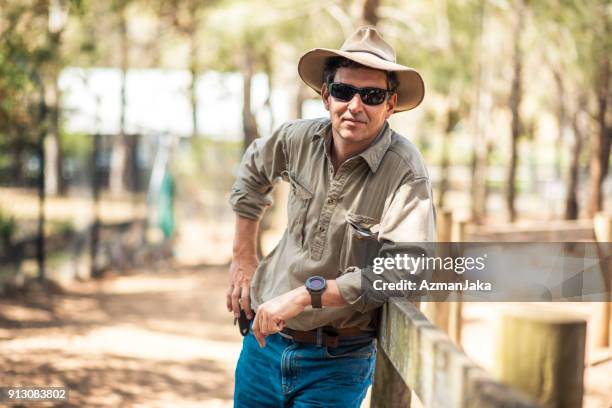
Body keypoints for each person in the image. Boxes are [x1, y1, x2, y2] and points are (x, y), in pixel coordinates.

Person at [228, 26, 436, 407]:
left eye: (371, 95)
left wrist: (306, 296)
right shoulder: (296, 140)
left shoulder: (405, 171)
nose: (355, 105)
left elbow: (407, 270)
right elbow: (252, 171)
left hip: (338, 362)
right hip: (263, 346)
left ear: (390, 105)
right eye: (344, 91)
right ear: (326, 96)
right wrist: (243, 256)